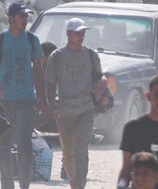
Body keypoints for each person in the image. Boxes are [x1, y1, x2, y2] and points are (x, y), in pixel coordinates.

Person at [0, 2, 47, 189]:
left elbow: (38, 70)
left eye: (26, 16)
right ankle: (7, 185)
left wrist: (42, 97)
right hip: (5, 99)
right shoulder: (0, 40)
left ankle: (24, 185)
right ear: (11, 18)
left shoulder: (32, 40)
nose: (25, 19)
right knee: (4, 142)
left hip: (26, 98)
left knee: (24, 142)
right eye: (21, 16)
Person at [44, 17, 108, 189]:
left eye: (83, 33)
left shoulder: (90, 55)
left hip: (85, 108)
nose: (81, 36)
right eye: (77, 33)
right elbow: (50, 82)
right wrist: (51, 105)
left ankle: (79, 185)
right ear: (68, 34)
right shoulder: (57, 56)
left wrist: (103, 80)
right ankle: (74, 182)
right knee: (68, 152)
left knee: (81, 149)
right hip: (64, 110)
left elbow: (100, 75)